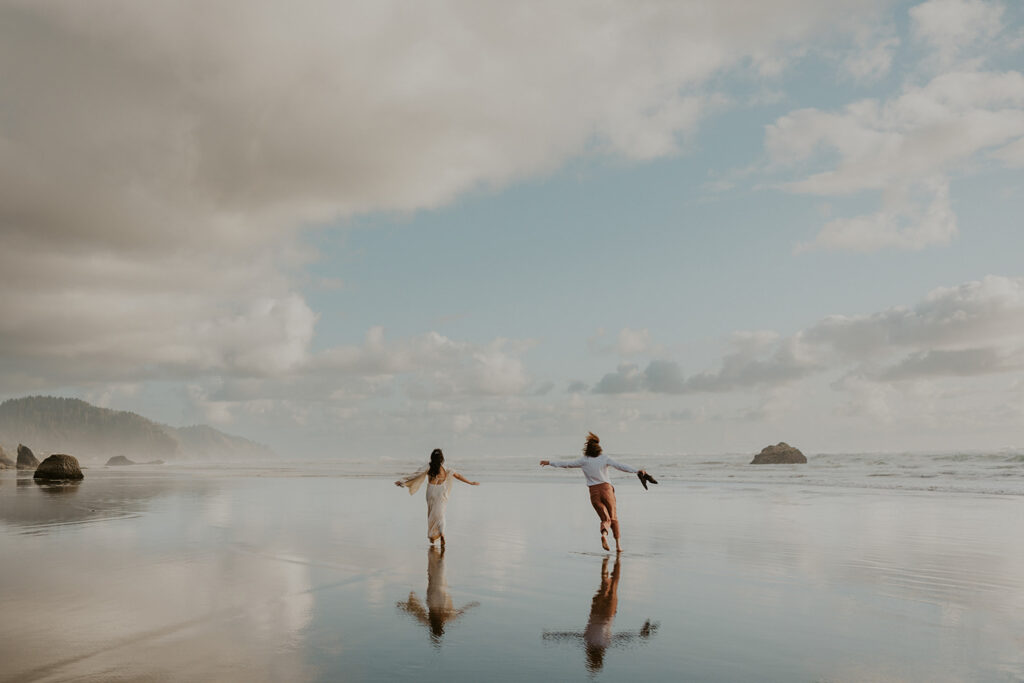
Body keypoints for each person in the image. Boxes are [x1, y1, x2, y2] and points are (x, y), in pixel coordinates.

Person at [540, 432, 646, 553]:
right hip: (607, 490)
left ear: (587, 449)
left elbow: (566, 464)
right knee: (613, 517)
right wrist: (636, 471)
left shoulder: (583, 461)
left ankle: (604, 535)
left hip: (594, 492)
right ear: (598, 448)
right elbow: (620, 466)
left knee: (605, 518)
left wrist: (549, 462)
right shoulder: (605, 458)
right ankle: (618, 546)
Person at [395, 448, 479, 547]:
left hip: (431, 491)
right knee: (441, 514)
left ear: (432, 457)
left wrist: (402, 481)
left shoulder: (428, 467)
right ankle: (442, 533)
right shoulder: (446, 468)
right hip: (442, 492)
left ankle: (432, 536)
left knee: (432, 514)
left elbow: (416, 474)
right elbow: (458, 475)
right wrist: (470, 482)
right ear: (441, 458)